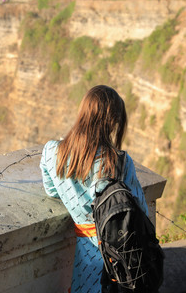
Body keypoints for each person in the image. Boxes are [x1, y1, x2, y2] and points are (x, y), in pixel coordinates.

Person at [40, 85, 148, 293]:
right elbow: (141, 208)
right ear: (114, 122)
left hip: (85, 254)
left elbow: (51, 191)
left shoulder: (53, 152)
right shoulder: (118, 162)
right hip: (117, 255)